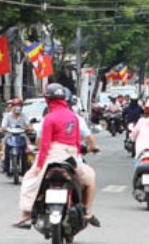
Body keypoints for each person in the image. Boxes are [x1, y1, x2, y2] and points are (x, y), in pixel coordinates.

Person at [14, 84, 99, 229]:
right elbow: (77, 143)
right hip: (71, 158)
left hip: (52, 156)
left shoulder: (49, 118)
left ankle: (26, 215)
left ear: (48, 100)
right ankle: (87, 212)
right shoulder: (74, 117)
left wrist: (39, 166)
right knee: (90, 178)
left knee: (29, 179)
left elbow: (44, 145)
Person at [0, 98, 32, 174]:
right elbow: (3, 126)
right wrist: (3, 129)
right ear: (12, 106)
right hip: (10, 135)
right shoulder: (7, 116)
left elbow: (28, 125)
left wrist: (29, 127)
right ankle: (4, 163)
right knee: (2, 145)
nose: (17, 107)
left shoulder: (24, 116)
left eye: (19, 105)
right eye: (16, 105)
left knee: (29, 146)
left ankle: (29, 163)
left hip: (22, 135)